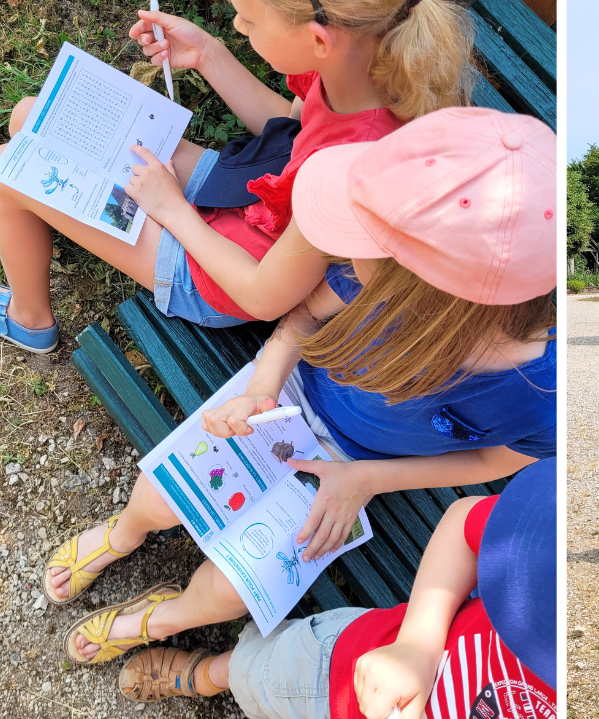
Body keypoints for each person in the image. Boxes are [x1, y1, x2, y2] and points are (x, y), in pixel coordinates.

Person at [42, 108, 556, 669]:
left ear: (426, 294)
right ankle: (125, 532)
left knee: (229, 594)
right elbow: (307, 314)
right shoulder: (388, 272)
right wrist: (263, 384)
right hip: (286, 397)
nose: (343, 256)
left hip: (357, 464)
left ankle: (164, 614)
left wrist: (365, 479)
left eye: (361, 244)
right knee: (157, 497)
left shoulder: (543, 394)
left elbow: (490, 461)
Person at [0, 0, 472, 351]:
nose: (239, 27)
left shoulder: (349, 172)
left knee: (9, 170)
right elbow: (288, 126)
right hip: (244, 188)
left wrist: (172, 208)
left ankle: (30, 319)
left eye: (246, 18)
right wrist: (208, 55)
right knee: (31, 117)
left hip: (216, 274)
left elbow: (261, 295)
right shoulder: (366, 56)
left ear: (318, 38)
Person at [114, 456, 557, 719]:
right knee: (263, 673)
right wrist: (418, 646)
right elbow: (469, 524)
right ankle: (209, 676)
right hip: (347, 666)